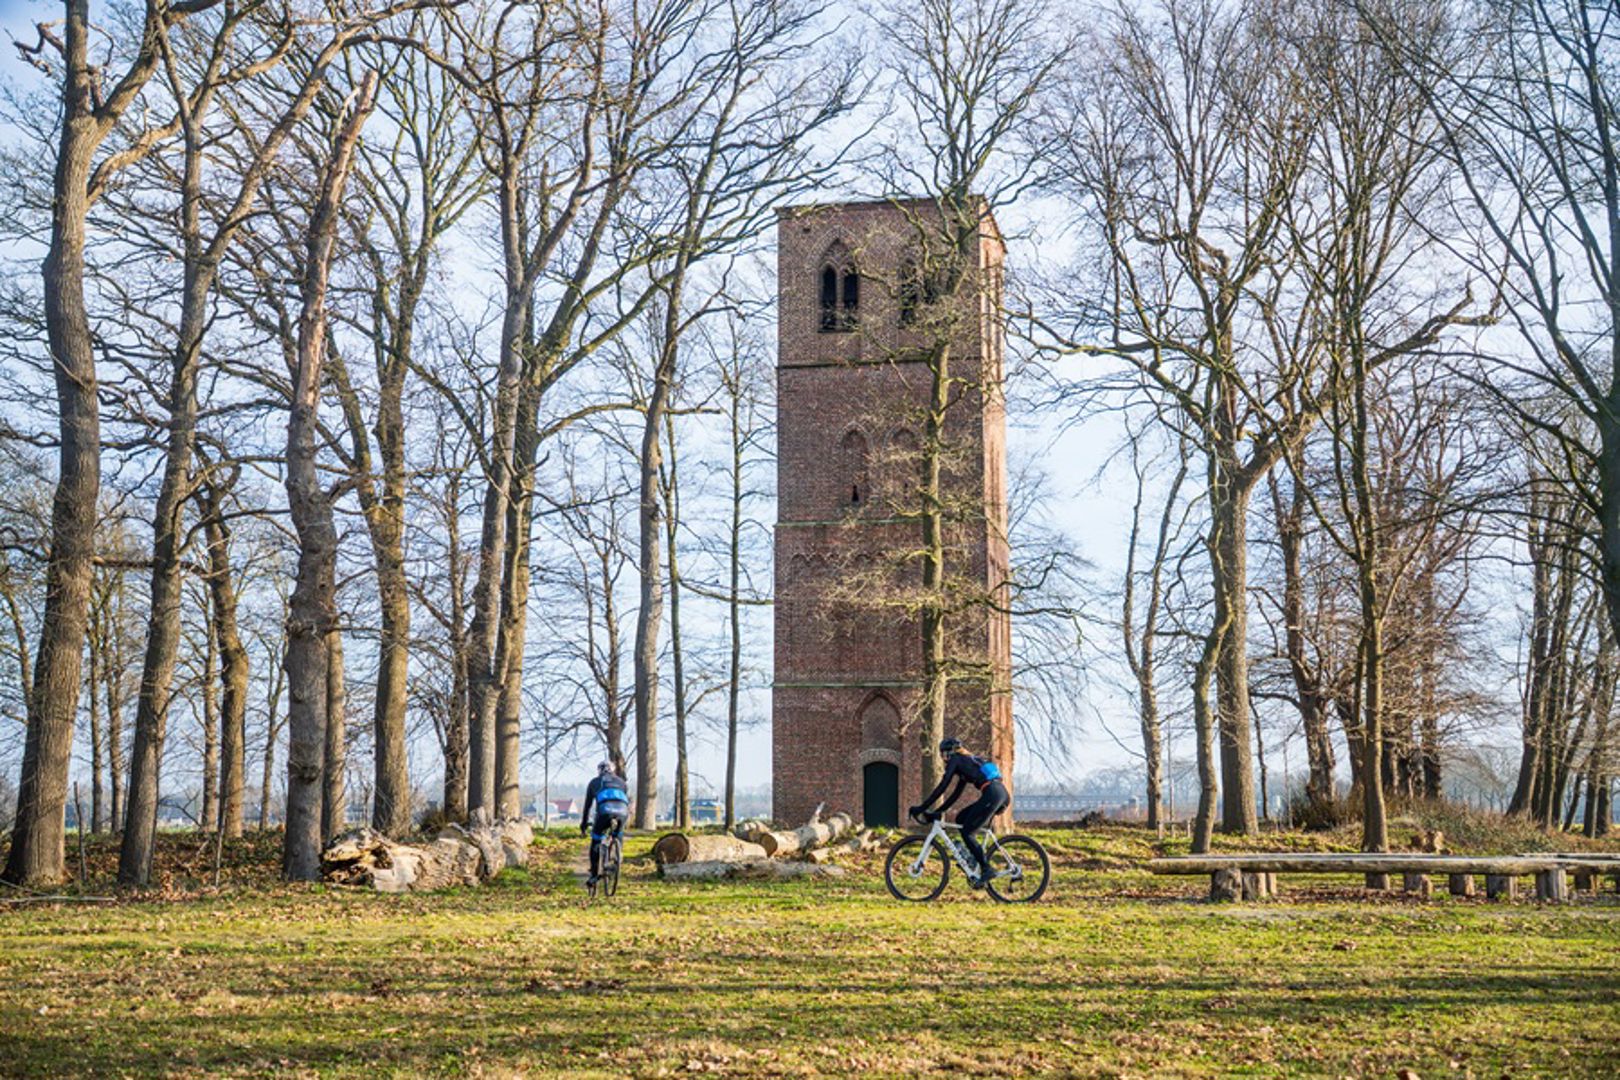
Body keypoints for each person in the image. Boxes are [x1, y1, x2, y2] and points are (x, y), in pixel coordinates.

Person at [909, 737, 1009, 888]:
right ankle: (974, 858)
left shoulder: (956, 760)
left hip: (993, 794)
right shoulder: (966, 762)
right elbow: (955, 795)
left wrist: (922, 808)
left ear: (948, 753)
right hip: (999, 793)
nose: (943, 759)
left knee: (968, 833)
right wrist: (937, 811)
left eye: (942, 754)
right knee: (961, 818)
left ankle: (987, 869)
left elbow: (943, 785)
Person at [580, 761, 630, 886]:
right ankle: (618, 855)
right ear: (613, 770)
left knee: (596, 840)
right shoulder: (622, 782)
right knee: (618, 833)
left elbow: (587, 806)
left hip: (604, 813)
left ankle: (594, 875)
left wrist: (584, 824)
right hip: (622, 813)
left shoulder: (594, 783)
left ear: (599, 771)